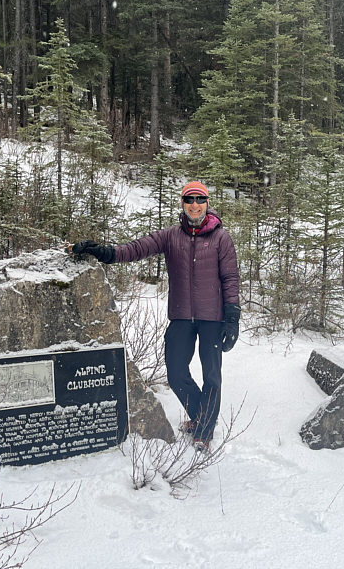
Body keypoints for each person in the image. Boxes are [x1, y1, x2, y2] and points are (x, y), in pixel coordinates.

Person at [69, 181, 240, 452]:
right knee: (175, 372)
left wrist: (232, 317)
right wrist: (103, 252)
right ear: (182, 204)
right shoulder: (171, 236)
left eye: (200, 199)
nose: (195, 205)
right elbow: (135, 249)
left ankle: (204, 431)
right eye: (189, 199)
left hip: (213, 317)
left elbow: (230, 278)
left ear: (207, 203)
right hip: (181, 316)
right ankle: (202, 416)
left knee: (211, 376)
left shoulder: (221, 238)